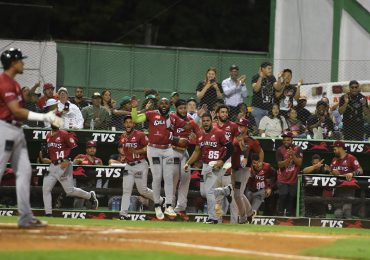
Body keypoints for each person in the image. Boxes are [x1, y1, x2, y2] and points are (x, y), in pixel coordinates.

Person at [0, 48, 63, 228]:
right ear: (13, 62)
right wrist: (45, 117)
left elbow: (20, 114)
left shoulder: (15, 84)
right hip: (5, 130)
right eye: (20, 60)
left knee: (26, 172)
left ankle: (26, 217)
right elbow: (16, 111)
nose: (23, 63)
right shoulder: (4, 82)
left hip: (16, 130)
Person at [131, 97, 183, 220]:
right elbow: (135, 119)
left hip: (168, 149)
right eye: (162, 103)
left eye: (166, 103)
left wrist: (196, 121)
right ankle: (157, 205)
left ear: (169, 105)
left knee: (169, 177)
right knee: (157, 176)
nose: (164, 105)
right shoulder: (151, 114)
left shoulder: (173, 117)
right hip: (154, 149)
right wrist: (134, 108)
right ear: (158, 105)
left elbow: (185, 124)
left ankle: (169, 205)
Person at [184, 112, 233, 224]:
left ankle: (213, 218)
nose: (206, 122)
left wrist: (222, 160)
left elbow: (230, 148)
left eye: (208, 120)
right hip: (206, 165)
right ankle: (226, 191)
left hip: (217, 165)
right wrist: (188, 163)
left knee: (209, 191)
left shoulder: (219, 133)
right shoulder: (200, 135)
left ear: (211, 121)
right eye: (204, 121)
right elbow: (197, 151)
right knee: (203, 192)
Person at [42, 126, 99, 216]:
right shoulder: (48, 135)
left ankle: (89, 196)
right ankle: (48, 213)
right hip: (53, 165)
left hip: (64, 165)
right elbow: (48, 152)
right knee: (45, 189)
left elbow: (74, 147)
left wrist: (68, 160)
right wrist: (45, 157)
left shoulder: (64, 134)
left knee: (70, 191)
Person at [117, 115, 162, 220]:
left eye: (130, 122)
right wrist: (125, 155)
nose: (128, 124)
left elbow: (148, 147)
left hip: (140, 165)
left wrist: (137, 151)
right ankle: (123, 214)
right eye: (126, 122)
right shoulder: (122, 136)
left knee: (142, 190)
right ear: (124, 124)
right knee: (126, 190)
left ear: (134, 124)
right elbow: (123, 149)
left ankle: (160, 200)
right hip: (129, 166)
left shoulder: (140, 134)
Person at [170, 99, 201, 220]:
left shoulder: (190, 120)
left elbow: (198, 132)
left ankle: (181, 208)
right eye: (181, 108)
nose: (183, 110)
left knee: (186, 178)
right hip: (172, 151)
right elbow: (165, 134)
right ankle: (170, 207)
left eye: (184, 108)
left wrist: (196, 136)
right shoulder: (171, 118)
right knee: (173, 180)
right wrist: (177, 139)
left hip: (184, 153)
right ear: (176, 108)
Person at [231, 118, 264, 223]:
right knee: (238, 194)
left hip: (243, 169)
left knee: (237, 194)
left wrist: (260, 162)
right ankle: (249, 213)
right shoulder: (233, 137)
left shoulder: (251, 140)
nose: (239, 127)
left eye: (242, 126)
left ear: (246, 128)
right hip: (232, 168)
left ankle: (243, 218)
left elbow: (261, 151)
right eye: (238, 125)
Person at [329, 140, 363, 219]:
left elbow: (360, 170)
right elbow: (332, 173)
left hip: (348, 188)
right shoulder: (334, 160)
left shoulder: (350, 158)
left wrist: (352, 174)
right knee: (338, 213)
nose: (333, 150)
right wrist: (332, 172)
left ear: (340, 148)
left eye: (335, 149)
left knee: (346, 211)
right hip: (337, 189)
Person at [276, 131, 303, 216]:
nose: (286, 142)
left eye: (288, 140)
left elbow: (299, 163)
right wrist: (288, 159)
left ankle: (289, 215)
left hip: (293, 178)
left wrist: (293, 155)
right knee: (283, 196)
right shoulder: (280, 150)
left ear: (292, 140)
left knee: (291, 197)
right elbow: (279, 165)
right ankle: (279, 214)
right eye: (284, 140)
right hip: (282, 178)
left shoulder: (298, 149)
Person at [251, 62, 283, 126]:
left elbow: (278, 88)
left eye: (271, 68)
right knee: (259, 128)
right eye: (269, 68)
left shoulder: (272, 78)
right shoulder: (256, 77)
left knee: (268, 128)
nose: (270, 70)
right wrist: (260, 77)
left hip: (269, 109)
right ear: (262, 69)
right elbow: (256, 89)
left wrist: (279, 78)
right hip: (258, 108)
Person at [73, 140, 103, 208]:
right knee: (78, 207)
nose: (92, 149)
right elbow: (72, 167)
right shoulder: (80, 156)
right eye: (90, 148)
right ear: (86, 149)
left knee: (91, 208)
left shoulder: (98, 160)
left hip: (93, 185)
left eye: (94, 148)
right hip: (81, 184)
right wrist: (76, 162)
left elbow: (102, 174)